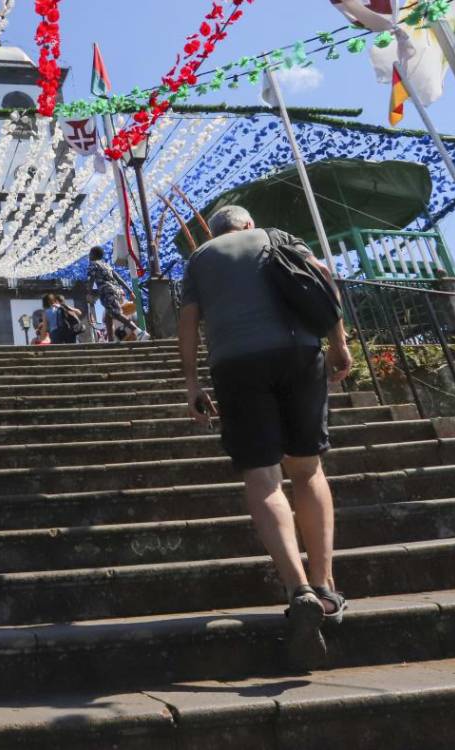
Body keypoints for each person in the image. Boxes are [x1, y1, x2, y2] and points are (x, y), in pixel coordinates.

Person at [177, 205, 353, 671]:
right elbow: (323, 284)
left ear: (212, 235)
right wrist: (339, 345)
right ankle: (325, 584)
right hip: (298, 352)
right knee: (307, 467)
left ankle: (297, 589)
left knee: (262, 474)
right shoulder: (277, 234)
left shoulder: (199, 260)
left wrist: (193, 384)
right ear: (248, 225)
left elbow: (189, 321)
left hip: (235, 362)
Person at [87, 247, 142, 344]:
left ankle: (138, 331)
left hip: (107, 292)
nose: (89, 256)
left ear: (93, 255)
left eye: (90, 254)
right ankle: (111, 341)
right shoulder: (107, 265)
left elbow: (91, 279)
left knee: (117, 313)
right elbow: (119, 278)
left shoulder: (93, 265)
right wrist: (129, 291)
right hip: (117, 291)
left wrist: (89, 292)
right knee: (108, 317)